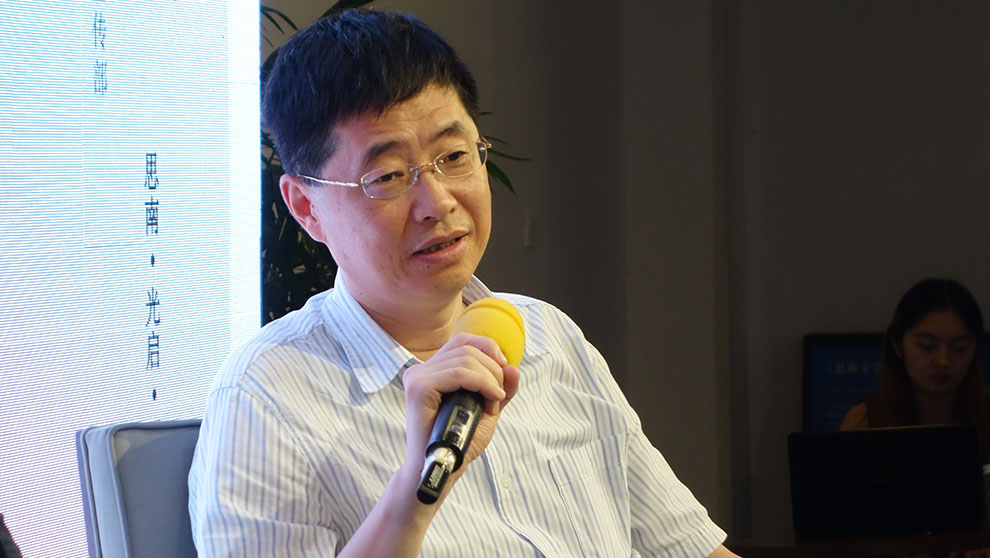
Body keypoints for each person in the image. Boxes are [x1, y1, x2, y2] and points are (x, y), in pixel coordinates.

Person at [188, 8, 737, 557]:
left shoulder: (550, 337)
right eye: (388, 176)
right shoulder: (265, 397)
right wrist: (417, 486)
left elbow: (690, 550)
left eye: (453, 156)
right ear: (306, 207)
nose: (438, 202)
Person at [840, 278, 989, 459]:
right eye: (927, 346)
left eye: (960, 348)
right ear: (898, 345)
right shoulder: (866, 421)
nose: (943, 361)